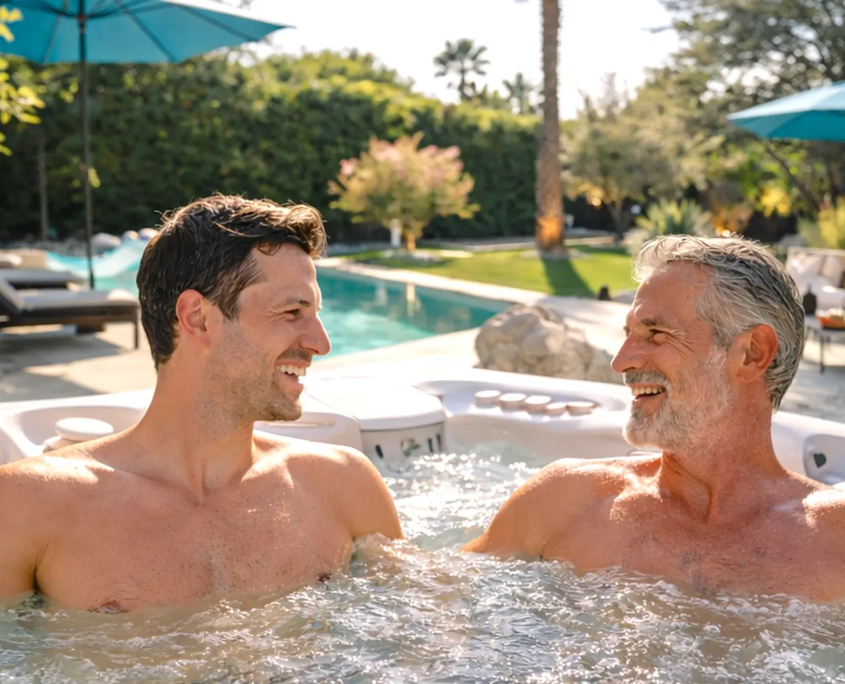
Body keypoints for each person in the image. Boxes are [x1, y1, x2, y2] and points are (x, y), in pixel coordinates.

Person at [0, 196, 402, 612]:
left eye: (316, 313)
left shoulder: (344, 484)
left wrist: (479, 550)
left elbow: (425, 630)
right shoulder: (29, 505)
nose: (321, 343)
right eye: (292, 311)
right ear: (197, 318)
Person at [465, 235, 845, 601]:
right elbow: (438, 606)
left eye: (656, 333)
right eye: (628, 333)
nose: (621, 362)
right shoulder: (564, 500)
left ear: (751, 354)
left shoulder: (835, 539)